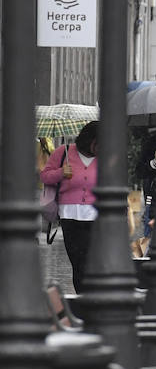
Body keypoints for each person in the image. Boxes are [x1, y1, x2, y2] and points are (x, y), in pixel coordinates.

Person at [40, 121, 100, 292]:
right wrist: (60, 173)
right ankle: (82, 297)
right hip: (70, 216)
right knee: (78, 262)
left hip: (96, 217)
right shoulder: (63, 152)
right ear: (89, 139)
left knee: (92, 261)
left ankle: (92, 296)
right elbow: (45, 176)